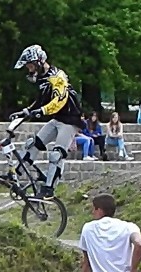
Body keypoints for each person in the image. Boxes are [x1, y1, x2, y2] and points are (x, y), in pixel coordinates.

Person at [8, 44, 84, 199]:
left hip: (70, 121)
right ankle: (15, 175)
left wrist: (41, 112)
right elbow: (40, 102)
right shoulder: (42, 79)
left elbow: (59, 101)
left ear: (39, 62)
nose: (29, 70)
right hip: (56, 119)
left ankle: (49, 189)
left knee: (56, 155)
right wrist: (24, 112)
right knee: (32, 144)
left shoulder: (57, 76)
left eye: (30, 66)